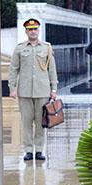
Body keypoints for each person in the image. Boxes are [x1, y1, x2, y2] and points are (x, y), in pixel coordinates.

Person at [9, 17, 57, 161]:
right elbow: (13, 69)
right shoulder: (20, 48)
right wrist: (12, 88)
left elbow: (52, 70)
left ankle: (39, 150)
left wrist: (54, 89)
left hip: (42, 91)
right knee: (26, 122)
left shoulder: (47, 48)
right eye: (30, 30)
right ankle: (29, 150)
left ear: (38, 30)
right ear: (26, 31)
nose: (33, 32)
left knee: (40, 122)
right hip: (24, 91)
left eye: (35, 29)